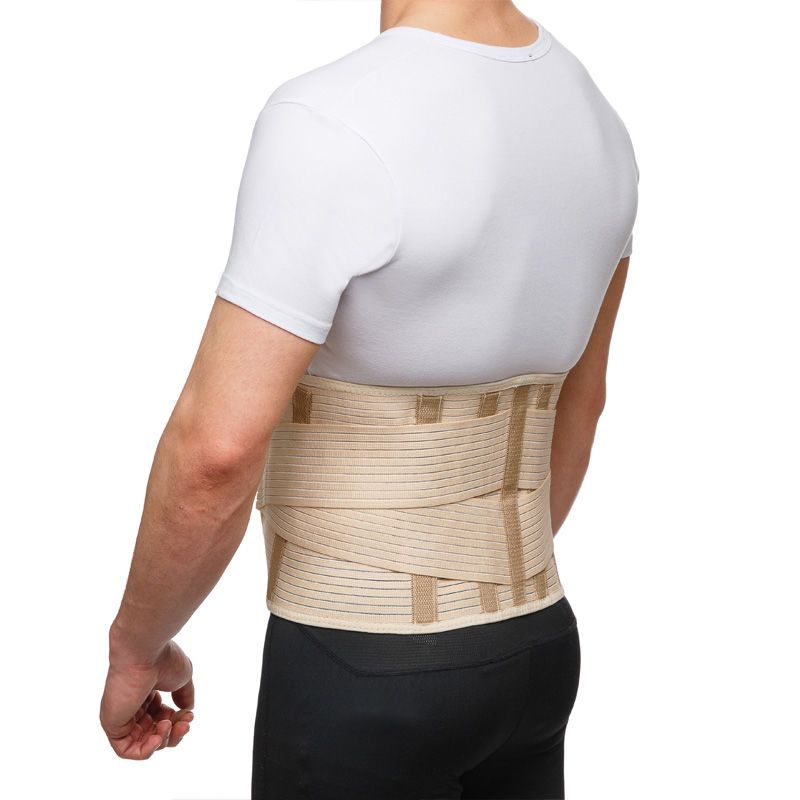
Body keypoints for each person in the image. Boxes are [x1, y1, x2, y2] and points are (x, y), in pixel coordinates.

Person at [99, 1, 639, 798]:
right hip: (535, 648)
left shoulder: (331, 117)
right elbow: (580, 410)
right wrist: (471, 593)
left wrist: (136, 647)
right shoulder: (598, 122)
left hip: (362, 670)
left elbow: (216, 453)